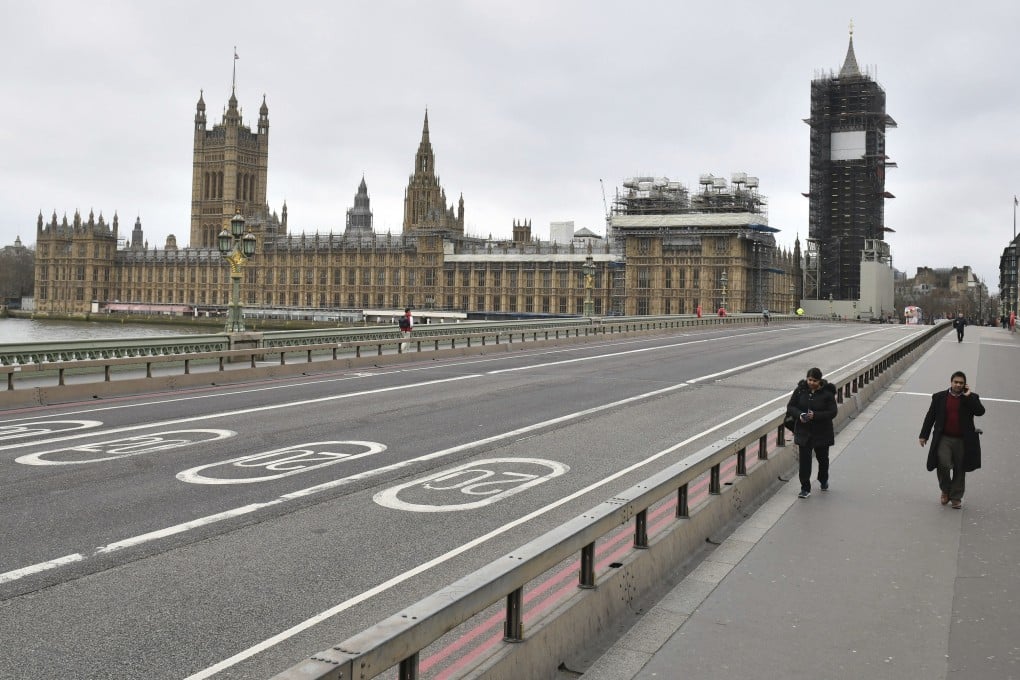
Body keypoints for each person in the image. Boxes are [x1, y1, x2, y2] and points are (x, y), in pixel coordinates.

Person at [918, 371, 985, 509]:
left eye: (961, 383)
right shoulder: (939, 397)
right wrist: (924, 435)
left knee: (960, 468)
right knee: (943, 463)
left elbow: (980, 412)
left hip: (962, 440)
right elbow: (930, 416)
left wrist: (969, 397)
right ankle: (945, 490)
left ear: (964, 384)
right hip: (944, 438)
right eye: (956, 382)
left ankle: (956, 497)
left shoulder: (971, 398)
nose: (958, 385)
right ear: (951, 382)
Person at [786, 367, 838, 498]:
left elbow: (833, 412)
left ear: (820, 381)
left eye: (814, 380)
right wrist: (800, 415)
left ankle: (823, 479)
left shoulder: (827, 393)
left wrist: (816, 415)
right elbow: (791, 406)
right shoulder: (800, 390)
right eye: (809, 379)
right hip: (805, 432)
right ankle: (805, 488)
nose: (811, 383)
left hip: (822, 432)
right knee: (804, 462)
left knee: (823, 460)